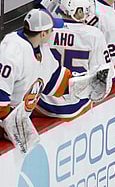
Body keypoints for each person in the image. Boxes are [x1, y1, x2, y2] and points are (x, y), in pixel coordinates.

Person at [36, 0, 115, 119]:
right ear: (79, 10)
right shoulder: (94, 35)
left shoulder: (43, 29)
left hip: (43, 103)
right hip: (77, 103)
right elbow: (105, 79)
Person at [0, 9, 72, 150]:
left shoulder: (42, 48)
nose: (53, 33)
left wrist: (83, 84)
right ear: (43, 33)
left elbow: (55, 83)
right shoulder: (11, 52)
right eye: (51, 30)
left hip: (19, 118)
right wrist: (10, 125)